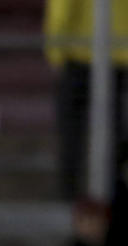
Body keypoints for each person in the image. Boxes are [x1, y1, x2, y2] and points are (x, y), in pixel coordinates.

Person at [44, 0, 128, 200]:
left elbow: (62, 10)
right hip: (118, 56)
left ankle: (69, 199)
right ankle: (111, 199)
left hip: (79, 56)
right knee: (115, 132)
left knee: (72, 134)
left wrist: (55, 53)